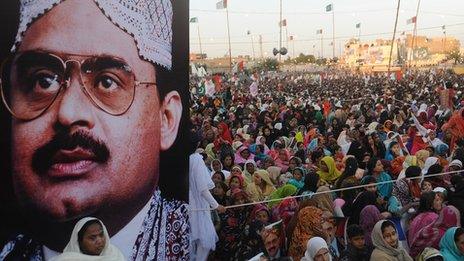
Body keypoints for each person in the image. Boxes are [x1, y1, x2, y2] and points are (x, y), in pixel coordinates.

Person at [0, 0, 188, 260]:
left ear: (166, 120)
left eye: (107, 82)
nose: (68, 113)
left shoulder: (198, 240)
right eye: (43, 81)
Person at [189, 151, 226, 261]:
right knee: (203, 237)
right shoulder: (195, 159)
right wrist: (216, 205)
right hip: (196, 203)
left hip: (185, 203)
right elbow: (202, 188)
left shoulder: (178, 155)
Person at [51, 217, 125, 261]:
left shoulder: (115, 255)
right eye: (92, 238)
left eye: (101, 235)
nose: (99, 241)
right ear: (79, 241)